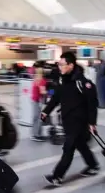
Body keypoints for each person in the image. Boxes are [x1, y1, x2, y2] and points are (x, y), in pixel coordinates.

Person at [41, 52, 99, 186]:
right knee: (82, 146)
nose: (60, 67)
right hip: (67, 120)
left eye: (62, 64)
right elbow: (56, 98)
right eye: (59, 64)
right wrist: (46, 111)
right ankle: (93, 165)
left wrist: (92, 122)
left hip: (79, 122)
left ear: (71, 65)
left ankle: (57, 176)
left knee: (68, 148)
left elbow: (92, 104)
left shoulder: (83, 83)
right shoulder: (63, 80)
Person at [31, 67, 47, 141]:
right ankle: (37, 135)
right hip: (39, 101)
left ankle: (34, 134)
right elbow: (42, 92)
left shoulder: (35, 79)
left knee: (35, 117)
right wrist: (52, 92)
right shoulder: (42, 81)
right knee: (39, 118)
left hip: (34, 100)